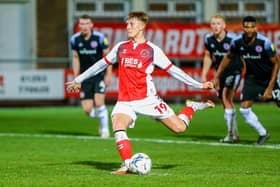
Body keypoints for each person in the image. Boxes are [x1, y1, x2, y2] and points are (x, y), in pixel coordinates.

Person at [67, 11, 215, 174]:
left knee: (179, 128)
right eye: (127, 24)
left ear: (142, 27)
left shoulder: (152, 50)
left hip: (148, 99)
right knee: (118, 124)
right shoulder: (121, 47)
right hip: (125, 100)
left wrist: (199, 85)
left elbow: (174, 71)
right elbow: (100, 65)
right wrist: (78, 80)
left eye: (131, 24)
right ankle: (127, 164)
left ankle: (192, 107)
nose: (128, 27)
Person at [214, 16, 280, 145]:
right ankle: (263, 133)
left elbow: (276, 64)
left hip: (269, 77)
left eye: (252, 27)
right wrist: (217, 76)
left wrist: (270, 86)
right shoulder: (237, 42)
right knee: (244, 109)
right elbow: (228, 57)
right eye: (247, 27)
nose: (249, 30)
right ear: (243, 27)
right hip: (252, 78)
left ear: (256, 27)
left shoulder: (264, 42)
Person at [201, 14, 242, 143]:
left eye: (218, 23)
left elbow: (242, 55)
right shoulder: (208, 39)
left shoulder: (233, 39)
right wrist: (204, 74)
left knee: (226, 97)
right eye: (213, 24)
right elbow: (208, 56)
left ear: (224, 26)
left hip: (234, 71)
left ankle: (230, 135)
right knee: (225, 103)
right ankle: (234, 134)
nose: (215, 26)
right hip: (220, 74)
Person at [70, 14, 112, 138]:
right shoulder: (75, 39)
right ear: (79, 25)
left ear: (91, 25)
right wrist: (76, 78)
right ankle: (103, 116)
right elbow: (76, 58)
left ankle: (104, 129)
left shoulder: (100, 38)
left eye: (87, 23)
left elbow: (108, 58)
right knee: (87, 110)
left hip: (99, 75)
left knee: (99, 102)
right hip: (84, 77)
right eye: (81, 24)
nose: (84, 26)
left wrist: (108, 75)